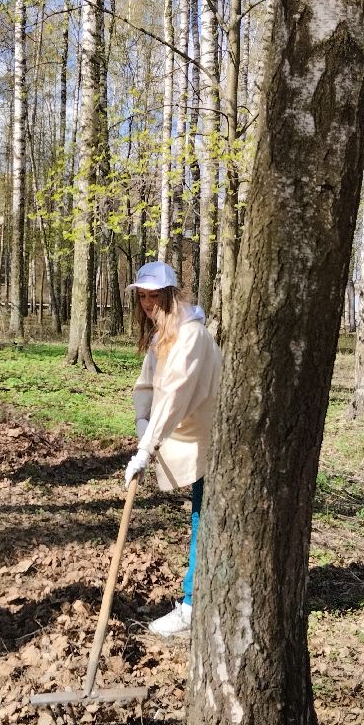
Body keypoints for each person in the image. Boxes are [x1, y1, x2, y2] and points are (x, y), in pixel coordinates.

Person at [124, 260, 222, 637]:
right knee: (203, 517)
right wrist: (141, 422)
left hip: (208, 438)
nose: (148, 304)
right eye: (143, 297)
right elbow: (147, 385)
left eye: (154, 296)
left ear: (171, 295)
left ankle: (193, 605)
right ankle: (201, 598)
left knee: (203, 517)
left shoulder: (191, 335)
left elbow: (176, 395)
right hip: (188, 434)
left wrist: (146, 450)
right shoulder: (162, 333)